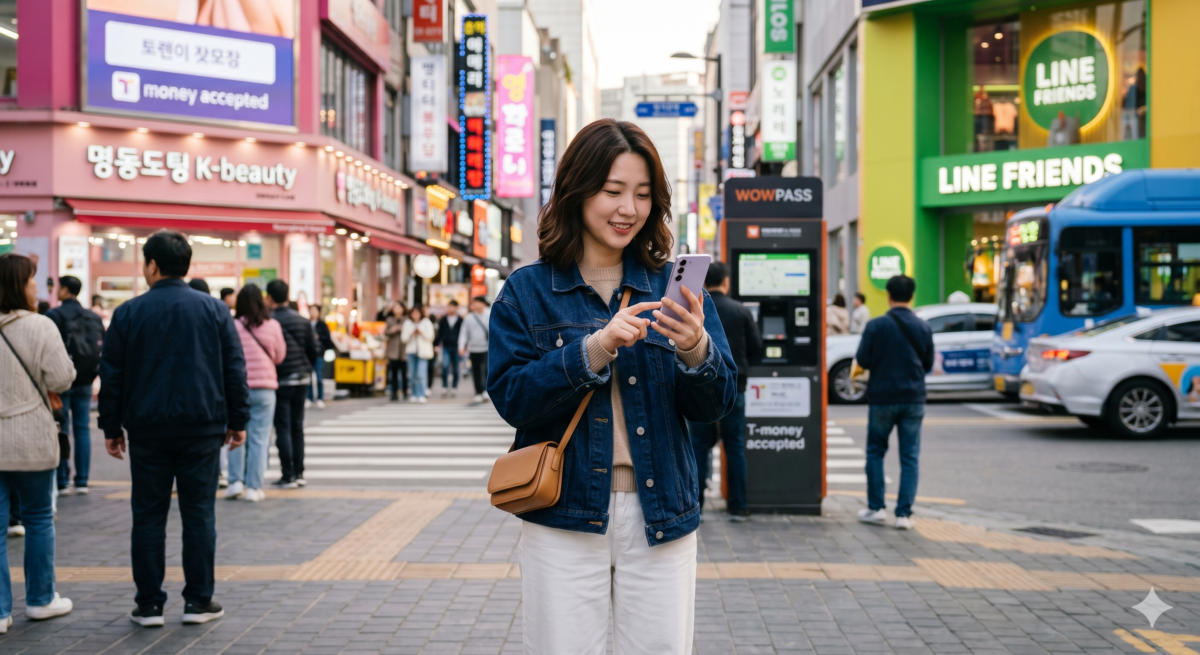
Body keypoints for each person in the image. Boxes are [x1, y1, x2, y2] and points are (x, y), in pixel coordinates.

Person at [487, 119, 737, 654]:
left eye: (643, 195)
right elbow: (512, 398)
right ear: (577, 191)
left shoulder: (673, 286)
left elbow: (716, 402)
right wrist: (593, 349)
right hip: (564, 512)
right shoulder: (528, 291)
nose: (629, 209)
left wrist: (695, 347)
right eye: (613, 191)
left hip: (662, 512)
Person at [98, 230, 250, 627]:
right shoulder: (215, 310)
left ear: (152, 265)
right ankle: (198, 601)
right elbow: (234, 368)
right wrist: (239, 421)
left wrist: (110, 426)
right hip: (203, 427)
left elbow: (111, 374)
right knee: (199, 514)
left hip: (147, 429)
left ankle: (149, 605)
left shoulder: (129, 312)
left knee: (147, 516)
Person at [0, 253, 78, 631]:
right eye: (32, 279)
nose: (37, 286)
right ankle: (41, 599)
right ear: (20, 285)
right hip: (31, 436)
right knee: (38, 519)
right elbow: (63, 378)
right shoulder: (41, 326)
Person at [854, 275, 934, 531]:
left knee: (875, 452)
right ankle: (903, 515)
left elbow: (863, 360)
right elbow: (928, 364)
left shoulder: (876, 326)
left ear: (888, 295)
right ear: (912, 296)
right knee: (910, 457)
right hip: (913, 398)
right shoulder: (923, 327)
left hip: (882, 397)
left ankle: (876, 508)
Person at [686, 261, 761, 522]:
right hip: (735, 389)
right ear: (726, 282)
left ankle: (696, 506)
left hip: (700, 387)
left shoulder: (697, 309)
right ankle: (738, 507)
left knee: (698, 448)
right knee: (735, 447)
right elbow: (756, 347)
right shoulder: (740, 311)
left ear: (704, 283)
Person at [45, 275, 105, 496]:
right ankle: (82, 481)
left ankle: (62, 481)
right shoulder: (92, 316)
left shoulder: (54, 315)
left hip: (61, 380)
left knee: (61, 428)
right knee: (82, 430)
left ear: (65, 290)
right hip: (86, 379)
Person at [228, 284, 285, 502]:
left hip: (237, 388)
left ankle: (235, 482)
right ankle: (253, 487)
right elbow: (280, 356)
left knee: (235, 433)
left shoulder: (232, 326)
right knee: (260, 438)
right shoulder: (273, 326)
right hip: (264, 388)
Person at [264, 279, 316, 489]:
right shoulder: (302, 320)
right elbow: (313, 349)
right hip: (302, 377)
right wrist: (307, 368)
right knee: (297, 427)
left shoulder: (268, 320)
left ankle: (288, 474)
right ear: (287, 296)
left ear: (269, 297)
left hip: (281, 378)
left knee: (283, 427)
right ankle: (300, 472)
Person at [459, 296, 491, 403]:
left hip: (487, 347)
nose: (477, 305)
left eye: (479, 302)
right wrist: (461, 346)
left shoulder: (489, 314)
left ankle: (486, 391)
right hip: (473, 348)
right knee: (476, 370)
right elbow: (464, 333)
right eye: (475, 302)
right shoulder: (469, 317)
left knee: (487, 369)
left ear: (484, 304)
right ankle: (478, 391)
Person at [401, 305, 435, 403]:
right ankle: (413, 393)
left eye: (417, 313)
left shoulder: (426, 322)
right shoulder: (407, 323)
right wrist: (411, 333)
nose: (415, 315)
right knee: (412, 374)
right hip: (411, 351)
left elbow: (431, 337)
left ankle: (421, 393)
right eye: (413, 313)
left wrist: (421, 332)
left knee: (421, 374)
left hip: (423, 352)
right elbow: (403, 338)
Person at [435, 300, 463, 397]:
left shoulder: (460, 320)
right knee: (445, 366)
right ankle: (445, 386)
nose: (450, 309)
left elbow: (463, 334)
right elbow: (439, 333)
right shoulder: (443, 319)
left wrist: (463, 346)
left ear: (456, 308)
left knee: (455, 369)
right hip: (446, 346)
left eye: (452, 307)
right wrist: (437, 344)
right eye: (449, 306)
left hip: (457, 347)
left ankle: (454, 387)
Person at [307, 305, 333, 409]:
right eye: (311, 310)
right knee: (308, 378)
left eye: (315, 310)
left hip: (319, 353)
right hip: (308, 354)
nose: (313, 312)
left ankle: (320, 398)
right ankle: (309, 398)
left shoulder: (322, 325)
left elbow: (328, 338)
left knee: (319, 377)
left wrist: (319, 337)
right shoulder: (307, 323)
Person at [384, 302, 408, 401]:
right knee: (393, 372)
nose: (397, 309)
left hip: (404, 349)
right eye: (395, 307)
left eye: (399, 307)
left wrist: (402, 329)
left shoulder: (407, 319)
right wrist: (393, 330)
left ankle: (405, 391)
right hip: (393, 350)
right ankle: (394, 393)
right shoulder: (389, 319)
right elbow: (385, 332)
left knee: (404, 372)